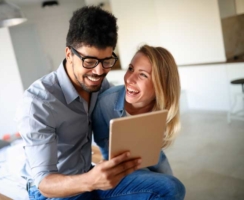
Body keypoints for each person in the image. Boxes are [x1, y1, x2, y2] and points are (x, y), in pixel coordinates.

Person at [16, 6, 185, 200]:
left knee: (172, 188)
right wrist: (91, 181)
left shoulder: (101, 87)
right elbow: (44, 183)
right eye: (89, 61)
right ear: (69, 54)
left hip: (88, 175)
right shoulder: (38, 103)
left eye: (106, 61)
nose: (98, 72)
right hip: (54, 192)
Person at [92, 44, 182, 185]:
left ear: (160, 85)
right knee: (162, 185)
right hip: (119, 158)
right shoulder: (105, 103)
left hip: (149, 149)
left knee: (171, 181)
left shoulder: (161, 107)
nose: (129, 79)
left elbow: (153, 146)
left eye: (142, 74)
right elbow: (101, 141)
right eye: (130, 69)